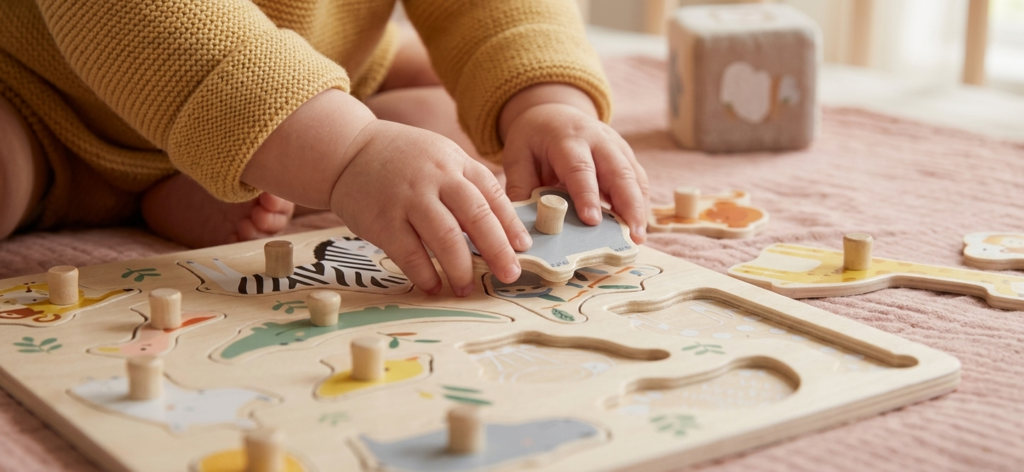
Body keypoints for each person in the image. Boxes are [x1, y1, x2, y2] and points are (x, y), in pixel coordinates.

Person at [0, 0, 649, 296]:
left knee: (441, 136)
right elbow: (146, 26)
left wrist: (546, 101)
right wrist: (351, 153)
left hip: (316, 83)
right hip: (50, 115)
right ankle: (257, 163)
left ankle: (231, 173)